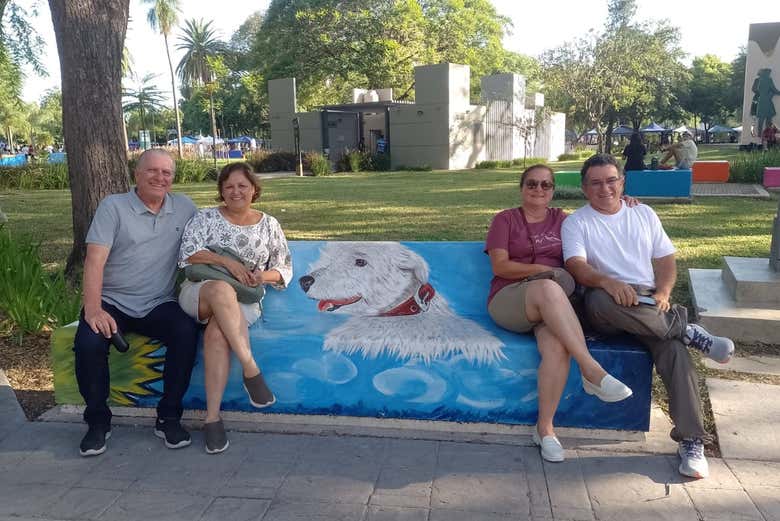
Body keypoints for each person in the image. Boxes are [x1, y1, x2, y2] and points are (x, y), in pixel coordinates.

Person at [562, 154, 735, 479]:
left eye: (611, 180)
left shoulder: (643, 212)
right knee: (600, 300)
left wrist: (665, 293)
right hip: (606, 305)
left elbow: (666, 260)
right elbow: (576, 266)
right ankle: (686, 329)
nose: (605, 188)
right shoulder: (577, 222)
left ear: (623, 182)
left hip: (648, 304)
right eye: (596, 183)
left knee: (675, 351)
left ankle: (692, 439)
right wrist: (608, 281)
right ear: (585, 188)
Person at [485, 164, 632, 463]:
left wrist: (628, 203)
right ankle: (591, 370)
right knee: (549, 288)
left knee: (556, 349)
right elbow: (500, 266)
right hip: (510, 300)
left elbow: (601, 216)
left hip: (552, 309)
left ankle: (545, 430)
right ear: (521, 187)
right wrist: (544, 270)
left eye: (546, 185)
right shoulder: (505, 220)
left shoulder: (564, 221)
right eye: (532, 184)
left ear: (553, 189)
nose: (539, 190)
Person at [74, 149, 199, 457]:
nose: (160, 178)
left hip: (158, 302)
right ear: (137, 174)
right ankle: (98, 423)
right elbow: (94, 260)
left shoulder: (185, 207)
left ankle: (168, 417)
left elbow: (212, 236)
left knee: (186, 331)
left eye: (167, 173)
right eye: (152, 171)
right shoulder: (113, 207)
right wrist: (93, 309)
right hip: (111, 301)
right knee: (89, 343)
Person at [178, 161, 292, 454]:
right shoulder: (204, 218)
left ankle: (212, 418)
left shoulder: (269, 224)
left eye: (242, 186)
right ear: (221, 191)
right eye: (229, 186)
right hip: (201, 293)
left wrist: (260, 276)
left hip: (244, 300)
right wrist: (227, 262)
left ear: (254, 189)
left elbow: (283, 269)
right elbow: (188, 256)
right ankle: (251, 369)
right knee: (221, 287)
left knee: (217, 334)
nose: (236, 191)